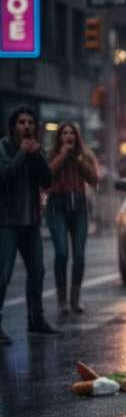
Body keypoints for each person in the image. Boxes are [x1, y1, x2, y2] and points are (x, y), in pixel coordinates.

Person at [0, 108, 60, 343]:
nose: (26, 126)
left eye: (30, 122)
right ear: (13, 126)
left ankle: (36, 319)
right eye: (22, 122)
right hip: (6, 221)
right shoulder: (3, 148)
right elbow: (5, 177)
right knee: (3, 274)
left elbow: (47, 180)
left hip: (31, 222)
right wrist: (22, 155)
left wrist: (36, 156)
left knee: (37, 271)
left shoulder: (35, 150)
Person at [46, 123, 99, 316]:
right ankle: (62, 301)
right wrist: (62, 155)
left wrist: (78, 160)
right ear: (59, 137)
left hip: (78, 209)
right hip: (56, 208)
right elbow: (47, 176)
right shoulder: (51, 154)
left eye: (72, 133)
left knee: (79, 255)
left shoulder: (85, 156)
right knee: (61, 253)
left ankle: (75, 299)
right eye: (65, 133)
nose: (68, 136)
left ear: (77, 137)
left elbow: (94, 179)